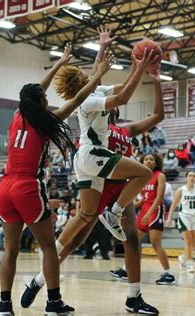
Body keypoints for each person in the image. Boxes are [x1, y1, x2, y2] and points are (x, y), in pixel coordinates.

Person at [23, 46, 164, 314]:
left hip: (114, 178)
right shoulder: (91, 103)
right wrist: (135, 66)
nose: (92, 77)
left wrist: (138, 66)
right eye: (87, 76)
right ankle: (46, 270)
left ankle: (133, 296)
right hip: (100, 166)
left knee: (111, 229)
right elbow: (117, 92)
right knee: (80, 234)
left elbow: (116, 87)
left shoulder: (119, 122)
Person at [0, 44, 111, 316]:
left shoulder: (18, 116)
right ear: (41, 102)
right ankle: (53, 302)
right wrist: (98, 76)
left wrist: (59, 64)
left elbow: (35, 91)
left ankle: (3, 307)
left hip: (5, 187)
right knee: (49, 247)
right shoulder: (46, 121)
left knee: (10, 250)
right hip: (27, 186)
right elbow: (79, 97)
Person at [53, 34, 159, 245]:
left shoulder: (96, 91)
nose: (88, 72)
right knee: (145, 173)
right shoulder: (87, 100)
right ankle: (114, 212)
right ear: (80, 81)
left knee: (86, 215)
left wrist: (136, 64)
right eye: (84, 73)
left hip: (84, 157)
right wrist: (141, 68)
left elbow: (126, 85)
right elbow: (123, 99)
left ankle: (49, 258)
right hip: (93, 154)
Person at [135, 153, 175, 285]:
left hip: (156, 210)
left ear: (156, 163)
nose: (148, 161)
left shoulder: (160, 176)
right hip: (145, 209)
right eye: (145, 159)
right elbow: (143, 200)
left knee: (155, 243)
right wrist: (129, 205)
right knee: (133, 240)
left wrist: (148, 214)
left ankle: (169, 274)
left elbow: (159, 198)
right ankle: (127, 270)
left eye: (151, 159)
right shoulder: (143, 177)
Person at [166, 171, 195, 273]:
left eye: (194, 176)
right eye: (190, 175)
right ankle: (189, 264)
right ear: (186, 178)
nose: (192, 177)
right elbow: (173, 205)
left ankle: (183, 257)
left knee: (193, 244)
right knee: (188, 241)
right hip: (184, 217)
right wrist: (169, 217)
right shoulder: (181, 190)